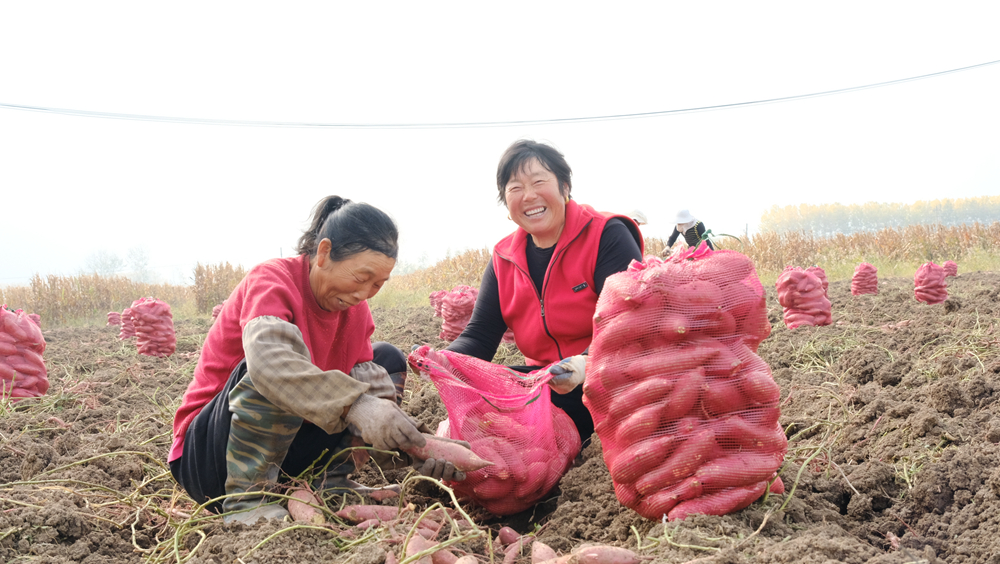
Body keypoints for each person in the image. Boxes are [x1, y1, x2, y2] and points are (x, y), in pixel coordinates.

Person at [170, 196, 466, 525]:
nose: (364, 293)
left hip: (285, 455)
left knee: (384, 362)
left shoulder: (355, 311)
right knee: (275, 369)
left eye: (377, 284)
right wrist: (356, 405)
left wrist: (417, 448)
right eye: (361, 277)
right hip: (211, 461)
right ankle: (247, 501)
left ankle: (329, 484)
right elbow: (269, 365)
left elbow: (372, 398)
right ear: (324, 253)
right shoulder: (272, 281)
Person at [446, 140, 644, 447]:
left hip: (611, 379)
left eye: (539, 181)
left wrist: (583, 365)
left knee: (525, 424)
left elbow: (629, 326)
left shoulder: (606, 234)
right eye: (515, 188)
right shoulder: (504, 258)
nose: (529, 196)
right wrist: (444, 362)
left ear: (565, 187)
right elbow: (480, 336)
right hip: (547, 383)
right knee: (482, 399)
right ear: (506, 203)